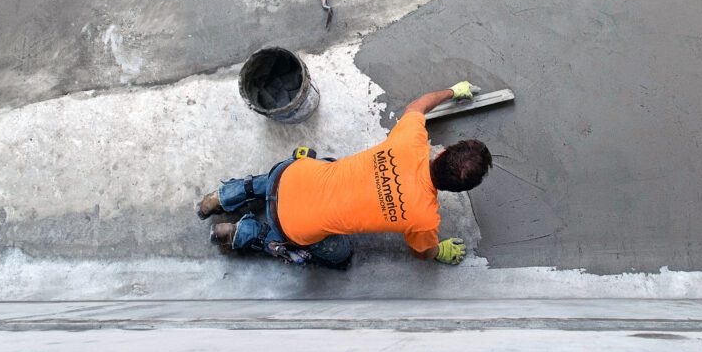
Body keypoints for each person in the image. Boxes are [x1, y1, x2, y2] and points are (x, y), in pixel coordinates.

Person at [197, 81, 492, 268]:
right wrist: (439, 251)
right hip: (291, 228)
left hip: (288, 174)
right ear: (455, 191)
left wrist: (453, 91)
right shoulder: (424, 219)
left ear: (440, 153)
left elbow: (418, 106)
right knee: (341, 256)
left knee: (306, 170)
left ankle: (223, 196)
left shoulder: (411, 140)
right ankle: (245, 234)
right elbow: (422, 253)